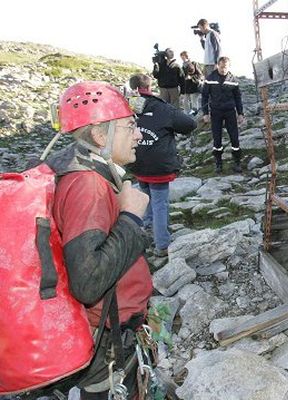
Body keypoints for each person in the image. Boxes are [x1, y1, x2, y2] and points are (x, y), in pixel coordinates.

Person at [45, 81, 153, 397]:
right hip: (105, 343)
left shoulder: (75, 168)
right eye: (130, 126)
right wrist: (131, 218)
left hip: (106, 331)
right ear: (100, 136)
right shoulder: (87, 186)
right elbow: (89, 282)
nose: (138, 135)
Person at [128, 74, 197, 257]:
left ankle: (147, 232)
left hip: (138, 164)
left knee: (147, 199)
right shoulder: (162, 108)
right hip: (158, 167)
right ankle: (162, 245)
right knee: (160, 203)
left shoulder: (126, 107)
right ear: (150, 86)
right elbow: (189, 124)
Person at [202, 56, 244, 173]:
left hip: (230, 111)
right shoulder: (210, 78)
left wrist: (240, 113)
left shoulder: (233, 80)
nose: (223, 70)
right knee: (217, 139)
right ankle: (218, 163)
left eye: (225, 68)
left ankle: (237, 162)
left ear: (229, 67)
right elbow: (204, 96)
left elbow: (238, 97)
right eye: (221, 67)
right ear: (217, 65)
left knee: (234, 138)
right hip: (215, 112)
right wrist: (205, 113)